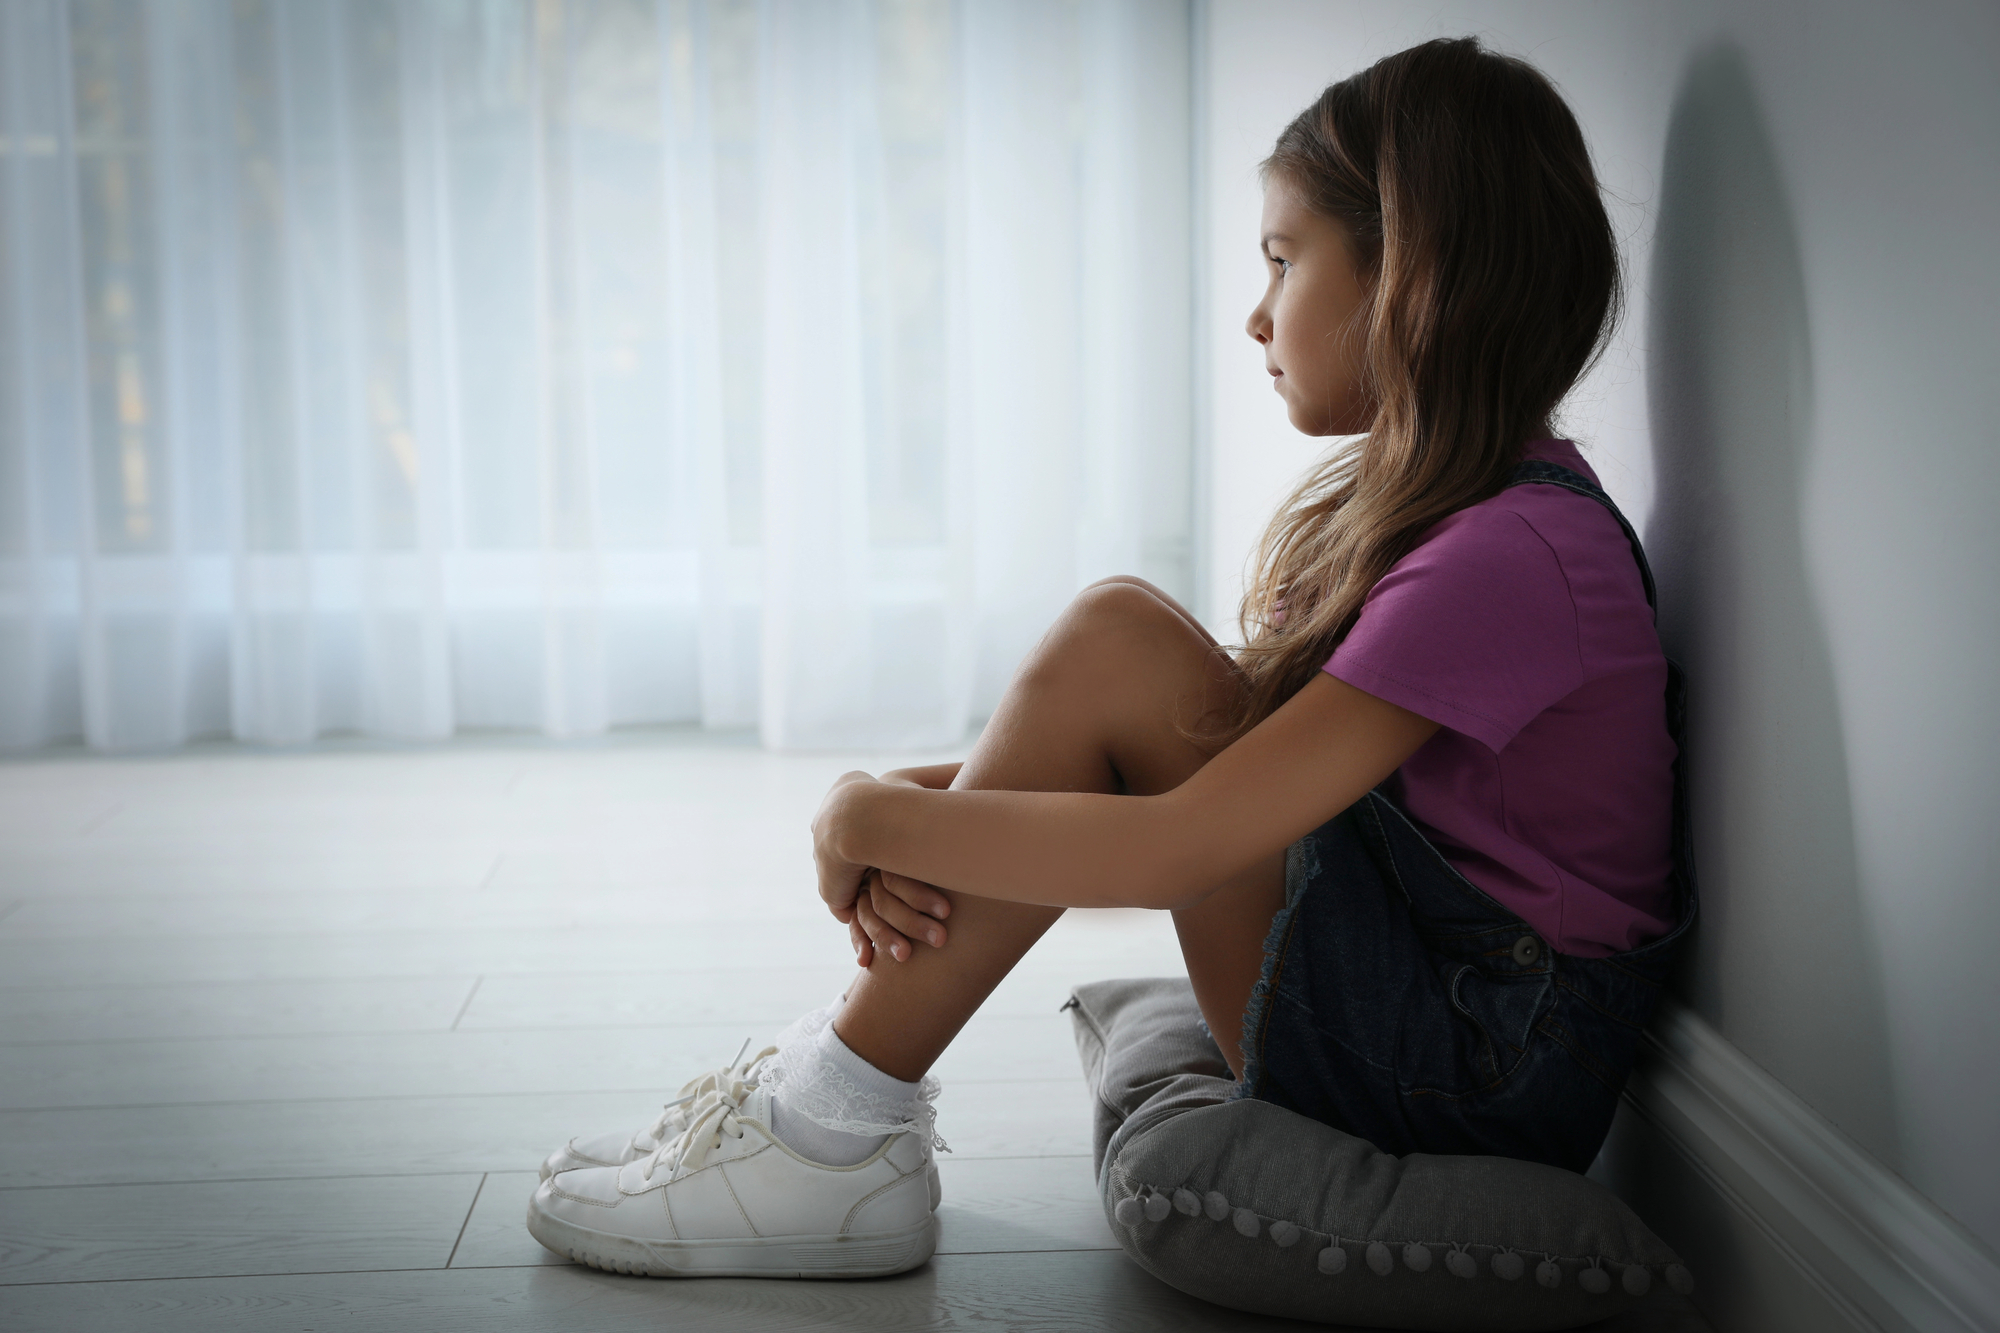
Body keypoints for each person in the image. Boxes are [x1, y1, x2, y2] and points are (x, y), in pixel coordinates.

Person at [527, 35, 1693, 1279]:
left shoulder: (1505, 557)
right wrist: (890, 810)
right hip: (1436, 1001)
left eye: (1283, 258)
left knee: (1119, 640)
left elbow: (1175, 843)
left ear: (1411, 277)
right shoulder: (1483, 521)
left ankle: (826, 1134)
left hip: (1471, 1066)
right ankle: (827, 1100)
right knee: (1125, 648)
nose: (1256, 309)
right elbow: (1175, 780)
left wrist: (877, 816)